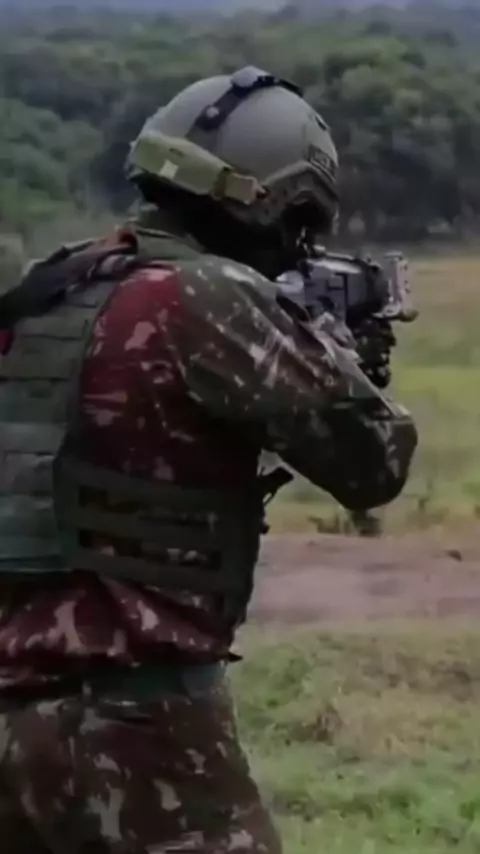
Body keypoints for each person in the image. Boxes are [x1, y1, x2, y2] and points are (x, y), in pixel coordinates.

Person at [0, 66, 417, 853]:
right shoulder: (209, 297)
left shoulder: (53, 289)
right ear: (269, 200)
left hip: (15, 723)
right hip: (141, 725)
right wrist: (334, 355)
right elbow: (375, 463)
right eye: (298, 224)